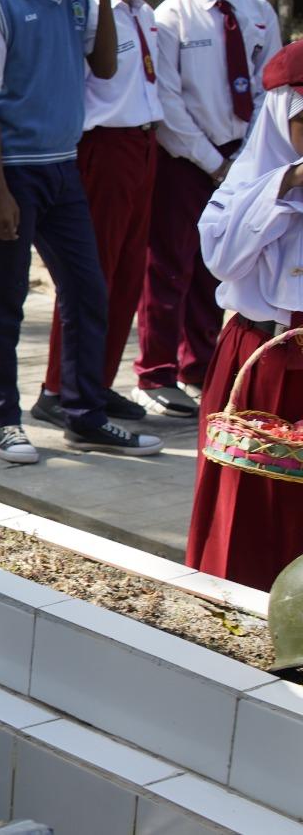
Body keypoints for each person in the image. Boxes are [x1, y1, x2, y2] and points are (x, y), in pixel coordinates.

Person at [0, 0, 163, 463]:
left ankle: (84, 415)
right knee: (6, 299)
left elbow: (106, 65)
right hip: (16, 173)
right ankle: (4, 418)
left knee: (88, 291)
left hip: (63, 167)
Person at [32, 0, 183, 429]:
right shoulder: (91, 10)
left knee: (126, 274)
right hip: (104, 148)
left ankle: (95, 380)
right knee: (89, 274)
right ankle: (59, 386)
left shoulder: (144, 12)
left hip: (142, 145)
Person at [134, 0, 280, 417]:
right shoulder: (171, 15)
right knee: (170, 265)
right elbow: (168, 101)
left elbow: (270, 91)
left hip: (242, 161)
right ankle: (156, 372)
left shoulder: (258, 11)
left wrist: (247, 157)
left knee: (218, 266)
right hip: (187, 160)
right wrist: (213, 161)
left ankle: (199, 364)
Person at [186, 43, 303, 591]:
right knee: (247, 512)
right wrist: (285, 187)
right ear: (282, 116)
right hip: (259, 363)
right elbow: (223, 259)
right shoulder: (245, 189)